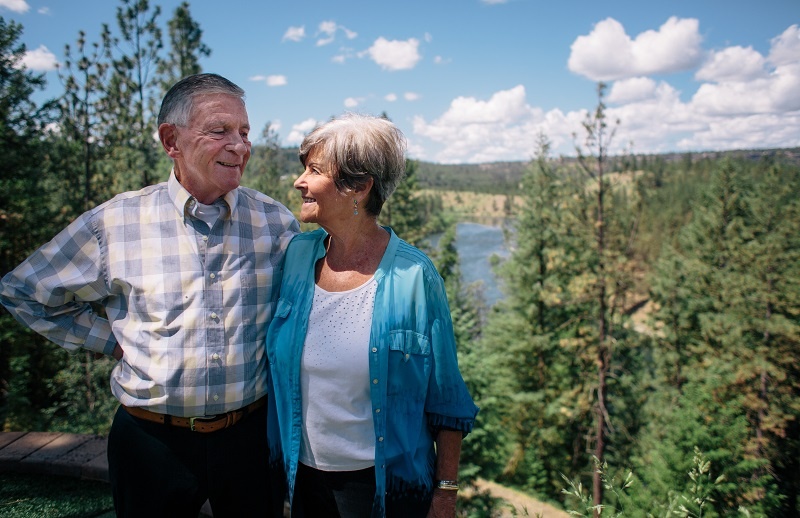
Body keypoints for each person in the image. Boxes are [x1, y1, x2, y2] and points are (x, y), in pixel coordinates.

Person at [0, 73, 299, 517]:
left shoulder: (276, 223)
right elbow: (24, 291)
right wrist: (109, 339)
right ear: (170, 140)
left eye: (244, 132)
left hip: (250, 438)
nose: (240, 146)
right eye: (219, 131)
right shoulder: (115, 223)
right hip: (150, 442)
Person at [266, 113, 478, 518]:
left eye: (314, 170)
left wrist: (445, 493)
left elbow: (447, 397)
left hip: (385, 489)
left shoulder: (414, 276)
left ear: (358, 188)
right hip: (302, 481)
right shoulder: (296, 258)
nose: (299, 181)